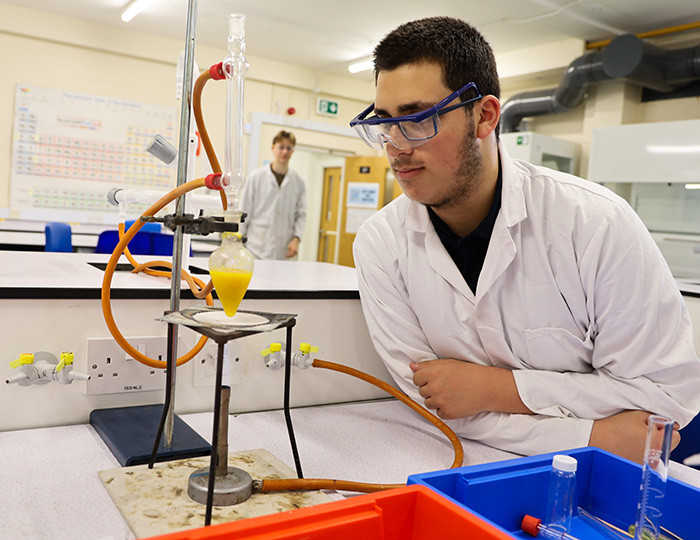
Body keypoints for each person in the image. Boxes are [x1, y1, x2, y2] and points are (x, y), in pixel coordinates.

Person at [350, 16, 700, 463]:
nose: (396, 146)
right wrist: (595, 437)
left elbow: (663, 404)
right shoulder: (380, 246)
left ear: (486, 116)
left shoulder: (594, 224)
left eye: (418, 119)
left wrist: (494, 388)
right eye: (385, 122)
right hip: (461, 463)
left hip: (594, 484)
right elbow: (435, 405)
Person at [240, 130, 306, 259]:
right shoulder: (256, 177)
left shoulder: (298, 182)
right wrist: (237, 242)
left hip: (284, 251)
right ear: (273, 148)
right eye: (281, 147)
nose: (285, 152)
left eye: (289, 148)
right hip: (256, 249)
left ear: (293, 151)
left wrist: (296, 239)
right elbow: (244, 211)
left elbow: (301, 215)